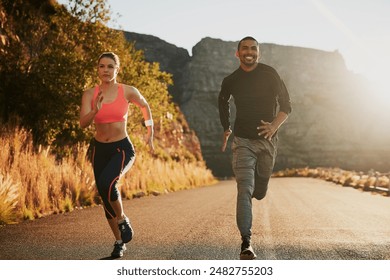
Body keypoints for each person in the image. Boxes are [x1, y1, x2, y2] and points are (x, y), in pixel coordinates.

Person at [218, 36, 292, 260]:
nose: (249, 52)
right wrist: (226, 128)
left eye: (253, 49)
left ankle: (261, 187)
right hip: (242, 141)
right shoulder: (231, 80)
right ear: (237, 53)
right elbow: (222, 101)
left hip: (267, 142)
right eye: (245, 48)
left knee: (259, 191)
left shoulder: (270, 73)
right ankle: (246, 243)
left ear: (258, 53)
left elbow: (286, 105)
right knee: (244, 190)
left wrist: (273, 126)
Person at [79, 52, 154, 258]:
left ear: (117, 69)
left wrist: (150, 131)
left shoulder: (127, 91)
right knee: (105, 196)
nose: (105, 70)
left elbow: (145, 106)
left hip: (122, 148)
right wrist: (95, 110)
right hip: (98, 150)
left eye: (110, 66)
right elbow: (83, 123)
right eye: (102, 66)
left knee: (109, 183)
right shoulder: (89, 94)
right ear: (98, 69)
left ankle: (122, 219)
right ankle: (119, 242)